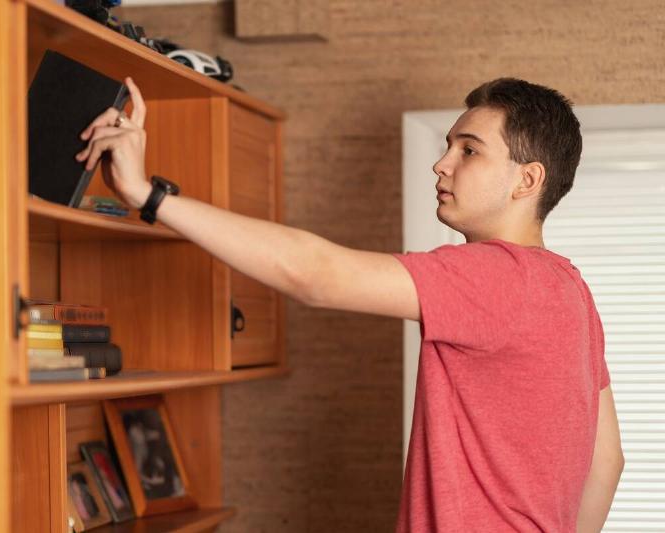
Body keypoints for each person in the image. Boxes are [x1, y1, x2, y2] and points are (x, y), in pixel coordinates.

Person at [76, 77, 624, 532]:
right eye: (448, 145)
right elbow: (607, 462)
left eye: (469, 150)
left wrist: (146, 194)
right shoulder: (570, 290)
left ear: (527, 180)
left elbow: (315, 274)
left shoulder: (495, 275)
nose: (442, 164)